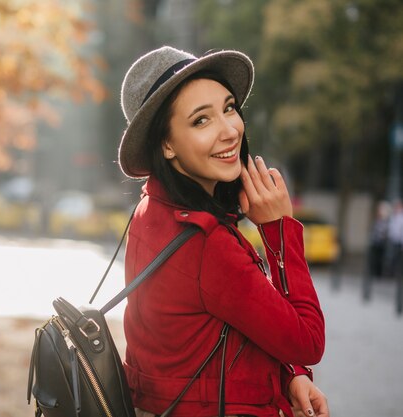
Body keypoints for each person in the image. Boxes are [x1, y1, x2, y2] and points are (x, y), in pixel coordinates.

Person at [118, 46, 328, 417]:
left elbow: (210, 334)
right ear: (166, 145)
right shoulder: (205, 243)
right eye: (201, 121)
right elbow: (307, 342)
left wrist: (289, 375)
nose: (230, 130)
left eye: (228, 108)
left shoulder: (151, 209)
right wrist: (279, 230)